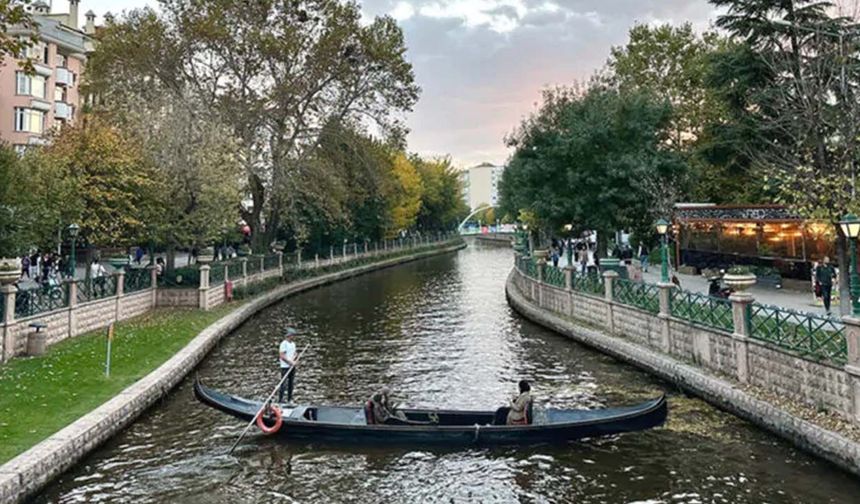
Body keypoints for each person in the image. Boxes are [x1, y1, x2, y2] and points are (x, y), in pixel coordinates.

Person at [278, 327, 298, 403]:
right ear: (289, 335)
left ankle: (290, 399)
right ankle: (280, 400)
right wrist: (290, 362)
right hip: (285, 367)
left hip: (292, 367)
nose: (294, 337)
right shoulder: (283, 344)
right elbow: (282, 356)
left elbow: (295, 353)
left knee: (291, 384)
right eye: (293, 335)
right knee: (283, 384)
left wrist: (295, 358)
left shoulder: (293, 344)